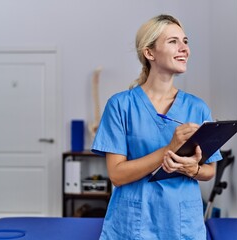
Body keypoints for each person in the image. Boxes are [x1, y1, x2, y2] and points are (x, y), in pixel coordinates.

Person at [91, 14, 222, 240]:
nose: (184, 49)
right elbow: (117, 175)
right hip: (132, 225)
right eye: (173, 41)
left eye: (186, 42)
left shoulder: (197, 107)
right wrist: (168, 150)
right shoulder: (121, 105)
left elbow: (210, 170)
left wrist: (194, 170)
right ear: (149, 53)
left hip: (182, 226)